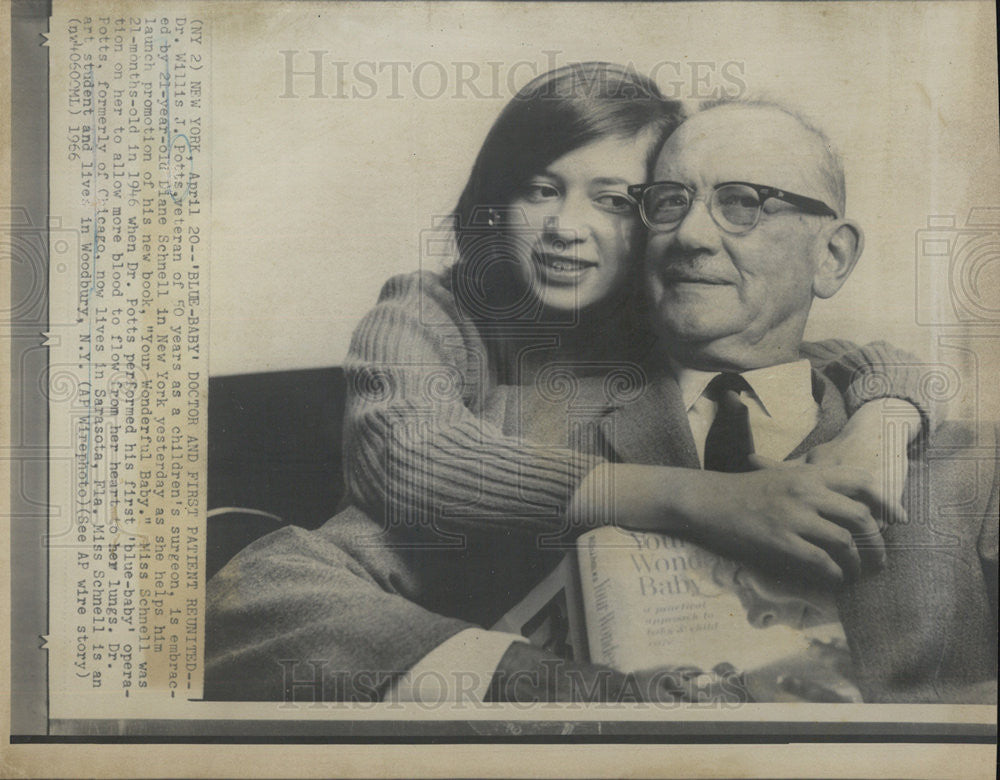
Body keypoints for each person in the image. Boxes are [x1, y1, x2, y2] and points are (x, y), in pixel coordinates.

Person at [205, 66, 935, 702]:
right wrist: (708, 498)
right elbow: (409, 458)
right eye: (539, 190)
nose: (565, 226)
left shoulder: (653, 333)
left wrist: (888, 414)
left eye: (616, 201)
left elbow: (820, 352)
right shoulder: (436, 311)